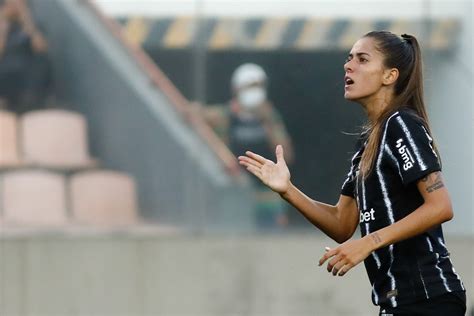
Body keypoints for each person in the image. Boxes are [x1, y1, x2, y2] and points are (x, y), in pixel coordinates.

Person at [238, 31, 466, 315]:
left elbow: (440, 206)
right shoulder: (367, 142)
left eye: (362, 59)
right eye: (349, 59)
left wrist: (368, 243)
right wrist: (288, 190)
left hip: (429, 299)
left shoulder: (401, 124)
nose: (348, 66)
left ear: (389, 76)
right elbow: (342, 223)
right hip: (396, 302)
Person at [201, 63, 294, 229]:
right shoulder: (225, 115)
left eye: (257, 86)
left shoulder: (269, 117)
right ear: (236, 89)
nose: (254, 91)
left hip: (268, 194)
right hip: (237, 191)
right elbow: (196, 115)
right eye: (249, 86)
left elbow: (287, 155)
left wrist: (269, 123)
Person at [0, 0, 52, 113]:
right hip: (4, 74)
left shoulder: (31, 26)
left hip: (24, 76)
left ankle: (32, 103)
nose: (15, 6)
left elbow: (41, 48)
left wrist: (27, 20)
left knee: (42, 62)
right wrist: (3, 25)